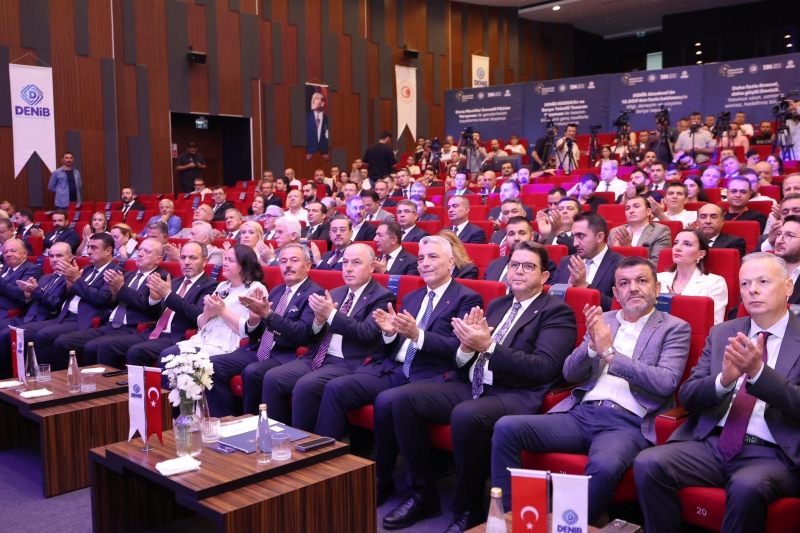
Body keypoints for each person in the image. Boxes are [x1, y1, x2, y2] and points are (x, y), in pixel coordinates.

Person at [384, 242, 577, 532]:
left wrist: (489, 346)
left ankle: (468, 509)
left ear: (545, 276)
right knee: (402, 399)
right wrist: (465, 348)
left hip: (515, 393)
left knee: (467, 415)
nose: (519, 271)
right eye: (514, 265)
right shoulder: (498, 304)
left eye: (528, 266)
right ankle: (423, 495)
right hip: (474, 383)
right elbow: (466, 357)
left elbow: (543, 368)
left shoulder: (557, 312)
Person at [492, 256, 691, 525]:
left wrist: (610, 354)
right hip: (581, 414)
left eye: (641, 281)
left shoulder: (675, 327)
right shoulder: (603, 320)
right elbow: (569, 373)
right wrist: (590, 348)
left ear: (656, 289)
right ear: (616, 293)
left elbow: (666, 381)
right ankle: (510, 520)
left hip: (627, 424)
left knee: (605, 466)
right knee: (506, 427)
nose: (633, 288)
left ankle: (568, 528)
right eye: (624, 283)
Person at [635, 252, 800, 533]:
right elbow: (688, 396)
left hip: (774, 453)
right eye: (745, 284)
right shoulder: (723, 332)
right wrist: (723, 380)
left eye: (763, 281)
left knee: (746, 486)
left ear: (788, 286)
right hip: (713, 444)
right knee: (649, 462)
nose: (753, 290)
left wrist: (759, 373)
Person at [315, 237, 482, 509]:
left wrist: (418, 335)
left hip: (431, 375)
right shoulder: (414, 296)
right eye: (421, 258)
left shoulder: (467, 298)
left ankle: (382, 478)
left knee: (387, 400)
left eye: (433, 257)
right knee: (336, 388)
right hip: (394, 368)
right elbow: (394, 345)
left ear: (451, 262)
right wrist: (390, 334)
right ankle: (322, 469)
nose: (425, 263)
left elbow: (458, 349)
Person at [263, 243, 396, 431]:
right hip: (317, 355)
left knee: (306, 386)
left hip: (347, 361)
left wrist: (331, 314)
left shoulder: (383, 297)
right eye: (345, 262)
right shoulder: (336, 293)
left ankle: (305, 444)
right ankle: (275, 436)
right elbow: (312, 334)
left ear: (371, 267)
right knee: (272, 377)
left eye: (356, 263)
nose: (348, 268)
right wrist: (318, 321)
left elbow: (367, 333)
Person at [209, 244, 325, 416]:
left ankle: (253, 423)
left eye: (294, 260)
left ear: (308, 266)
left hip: (284, 353)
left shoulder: (315, 293)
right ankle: (225, 420)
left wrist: (269, 315)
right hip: (258, 348)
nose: (288, 265)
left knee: (253, 372)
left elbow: (303, 334)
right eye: (283, 261)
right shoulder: (277, 291)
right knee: (212, 365)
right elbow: (256, 331)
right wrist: (254, 320)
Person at [95, 241, 218, 368]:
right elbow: (154, 312)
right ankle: (108, 381)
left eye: (193, 258)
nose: (186, 262)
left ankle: (137, 382)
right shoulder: (175, 282)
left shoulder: (211, 285)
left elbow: (198, 314)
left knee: (136, 351)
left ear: (204, 261)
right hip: (152, 331)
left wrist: (168, 294)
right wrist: (155, 300)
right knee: (107, 345)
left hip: (177, 336)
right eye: (183, 257)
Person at [52, 238, 168, 366]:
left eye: (147, 252)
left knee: (96, 346)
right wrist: (113, 296)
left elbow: (150, 308)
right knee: (62, 342)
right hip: (109, 324)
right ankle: (69, 377)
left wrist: (121, 289)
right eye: (140, 249)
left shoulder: (162, 278)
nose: (140, 254)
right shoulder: (128, 275)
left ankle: (101, 379)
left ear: (159, 259)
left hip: (132, 328)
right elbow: (109, 302)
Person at [22, 233, 121, 369]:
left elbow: (101, 299)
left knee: (44, 336)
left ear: (108, 250)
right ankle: (42, 374)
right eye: (88, 247)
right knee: (26, 332)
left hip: (83, 319)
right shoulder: (87, 269)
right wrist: (68, 285)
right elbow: (65, 295)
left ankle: (56, 376)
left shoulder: (115, 272)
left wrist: (76, 280)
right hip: (63, 314)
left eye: (94, 248)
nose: (89, 251)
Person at [159, 245, 266, 362]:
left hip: (226, 343)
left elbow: (248, 331)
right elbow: (201, 324)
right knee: (166, 354)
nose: (225, 263)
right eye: (225, 259)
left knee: (180, 360)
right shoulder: (222, 286)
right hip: (203, 339)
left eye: (230, 260)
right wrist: (207, 314)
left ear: (245, 265)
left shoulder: (255, 289)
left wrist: (222, 311)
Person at [0, 243, 71, 378]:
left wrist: (35, 292)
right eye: (51, 256)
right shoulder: (46, 277)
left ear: (70, 258)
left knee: (7, 334)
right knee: (4, 332)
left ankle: (13, 377)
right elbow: (30, 299)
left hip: (47, 319)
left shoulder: (69, 280)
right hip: (28, 316)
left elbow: (56, 306)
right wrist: (29, 293)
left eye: (59, 256)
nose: (54, 260)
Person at [550, 211, 624, 311]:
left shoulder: (621, 265)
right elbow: (550, 298)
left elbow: (620, 307)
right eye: (574, 236)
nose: (575, 243)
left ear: (599, 237)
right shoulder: (566, 261)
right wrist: (567, 289)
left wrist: (584, 285)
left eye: (581, 236)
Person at [658, 228, 728, 324]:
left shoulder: (715, 283)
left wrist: (678, 306)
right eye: (675, 243)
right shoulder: (658, 279)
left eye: (687, 244)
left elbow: (714, 324)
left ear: (701, 254)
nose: (678, 248)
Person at [609, 196, 672, 264]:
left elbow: (657, 265)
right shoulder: (615, 232)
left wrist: (629, 248)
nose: (631, 211)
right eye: (627, 208)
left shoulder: (660, 231)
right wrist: (615, 254)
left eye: (636, 206)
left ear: (648, 211)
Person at [0, 238, 42, 317]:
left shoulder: (32, 269)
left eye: (13, 251)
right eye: (5, 252)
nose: (8, 254)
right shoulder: (4, 268)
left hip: (7, 310)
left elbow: (21, 293)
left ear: (25, 253)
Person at [306, 91, 329, 160]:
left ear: (322, 103)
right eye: (312, 99)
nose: (312, 101)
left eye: (316, 98)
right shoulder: (305, 119)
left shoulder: (328, 121)